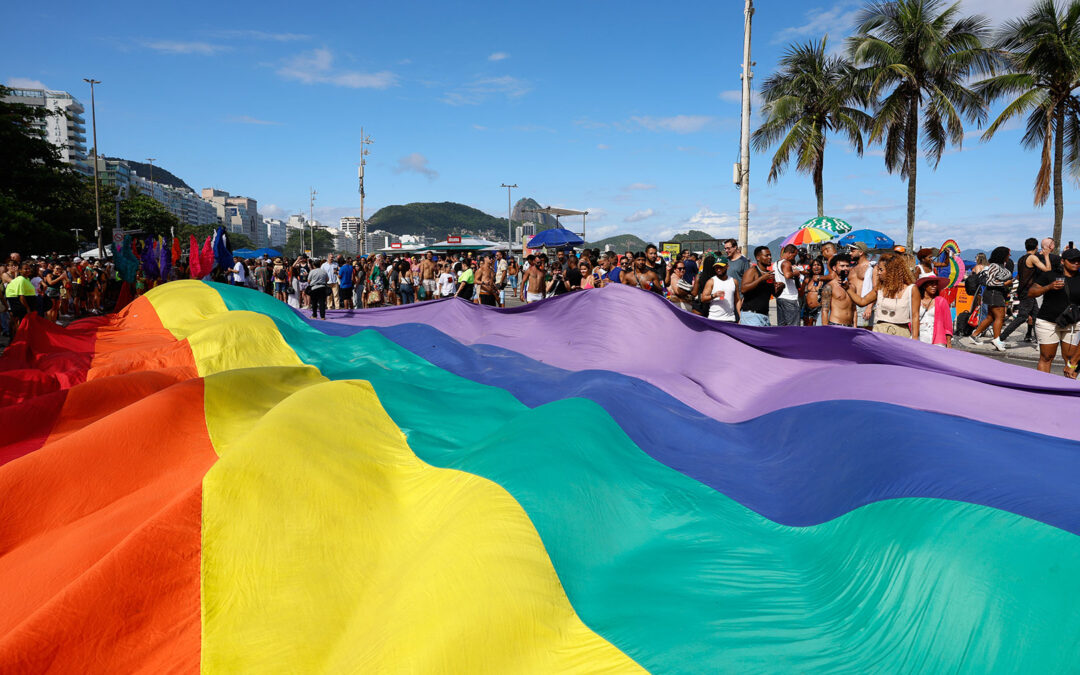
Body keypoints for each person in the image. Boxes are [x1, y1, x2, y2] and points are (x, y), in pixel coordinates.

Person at [1028, 247, 1080, 376]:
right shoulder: (1050, 275)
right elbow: (1031, 292)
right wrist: (1049, 287)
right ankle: (1043, 389)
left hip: (1072, 323)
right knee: (1046, 357)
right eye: (1072, 261)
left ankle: (1068, 391)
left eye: (1079, 261)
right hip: (1048, 322)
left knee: (1071, 360)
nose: (1076, 263)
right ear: (1063, 261)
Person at [847, 254, 921, 339]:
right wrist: (847, 288)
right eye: (878, 270)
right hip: (879, 333)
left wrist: (915, 339)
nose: (878, 273)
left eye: (881, 270)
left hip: (901, 334)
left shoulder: (911, 289)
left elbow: (915, 316)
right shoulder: (879, 289)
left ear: (891, 271)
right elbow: (862, 302)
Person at [966, 246, 1014, 351]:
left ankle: (974, 335)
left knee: (990, 317)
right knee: (1000, 317)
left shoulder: (999, 266)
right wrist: (1005, 283)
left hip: (995, 293)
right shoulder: (994, 266)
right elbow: (990, 282)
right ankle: (997, 340)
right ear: (1003, 255)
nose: (1009, 255)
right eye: (1008, 254)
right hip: (994, 293)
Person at [1001, 238, 1042, 343]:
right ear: (1036, 246)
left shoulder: (1021, 259)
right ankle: (1001, 337)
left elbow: (1020, 275)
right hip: (1028, 291)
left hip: (1024, 290)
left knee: (1036, 315)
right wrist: (1045, 256)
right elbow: (1045, 269)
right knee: (1023, 316)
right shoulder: (1032, 258)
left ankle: (1039, 340)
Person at [740, 246, 780, 326]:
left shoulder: (769, 274)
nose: (770, 257)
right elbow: (743, 289)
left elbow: (775, 294)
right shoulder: (752, 271)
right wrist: (761, 279)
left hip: (764, 316)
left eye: (770, 255)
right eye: (767, 255)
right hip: (751, 315)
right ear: (758, 258)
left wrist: (781, 287)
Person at [916, 276, 953, 347]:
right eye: (931, 284)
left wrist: (948, 343)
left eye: (936, 284)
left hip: (937, 340)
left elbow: (948, 325)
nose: (934, 286)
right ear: (924, 285)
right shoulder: (916, 300)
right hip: (919, 337)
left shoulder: (941, 301)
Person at [821, 253, 856, 327]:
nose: (845, 268)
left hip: (850, 326)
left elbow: (854, 309)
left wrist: (855, 326)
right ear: (834, 268)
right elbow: (825, 310)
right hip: (835, 324)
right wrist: (825, 328)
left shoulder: (852, 286)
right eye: (842, 266)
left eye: (847, 266)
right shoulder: (829, 286)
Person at [701, 257, 740, 322]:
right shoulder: (711, 281)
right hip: (714, 319)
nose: (718, 269)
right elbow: (703, 299)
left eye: (721, 267)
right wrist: (714, 295)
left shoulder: (734, 281)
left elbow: (738, 300)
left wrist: (739, 317)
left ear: (727, 266)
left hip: (730, 319)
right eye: (716, 267)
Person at [5, 263, 37, 338]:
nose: (28, 270)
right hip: (20, 304)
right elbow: (21, 296)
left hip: (26, 303)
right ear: (20, 270)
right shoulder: (21, 280)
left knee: (20, 322)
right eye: (25, 269)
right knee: (20, 322)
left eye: (29, 268)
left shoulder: (27, 279)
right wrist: (27, 308)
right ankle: (17, 338)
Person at [774, 244, 802, 326]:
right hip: (790, 297)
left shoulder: (776, 263)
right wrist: (796, 273)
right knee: (793, 325)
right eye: (794, 255)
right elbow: (787, 275)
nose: (794, 258)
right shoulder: (786, 263)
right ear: (789, 253)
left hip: (780, 297)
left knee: (782, 325)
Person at [849, 242, 875, 329]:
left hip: (864, 306)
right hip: (851, 305)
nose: (850, 253)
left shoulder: (871, 267)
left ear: (861, 252)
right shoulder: (852, 268)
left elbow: (875, 289)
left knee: (864, 334)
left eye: (853, 250)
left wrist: (869, 307)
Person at [802, 258, 826, 326]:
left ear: (822, 267)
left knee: (818, 331)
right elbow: (801, 294)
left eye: (818, 265)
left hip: (819, 309)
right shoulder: (807, 279)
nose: (816, 267)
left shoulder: (824, 279)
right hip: (807, 309)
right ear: (811, 267)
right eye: (814, 265)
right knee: (807, 331)